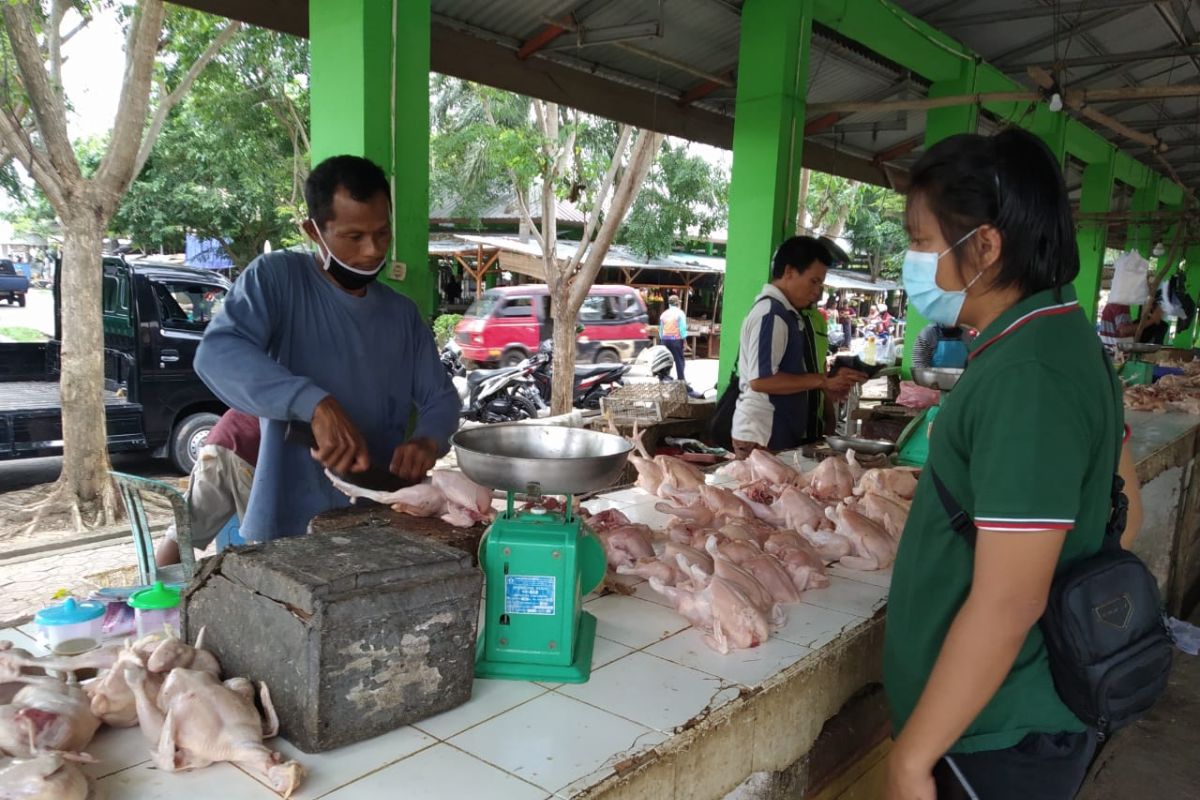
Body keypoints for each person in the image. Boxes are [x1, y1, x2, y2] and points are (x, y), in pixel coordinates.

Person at [885, 128, 1140, 800]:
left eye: (920, 240)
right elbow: (1128, 513)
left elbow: (1009, 600)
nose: (911, 260)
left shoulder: (1029, 373)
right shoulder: (1058, 336)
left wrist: (913, 759)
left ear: (987, 246)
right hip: (1014, 722)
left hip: (994, 738)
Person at [194, 155, 460, 542]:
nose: (372, 250)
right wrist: (314, 404)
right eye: (354, 237)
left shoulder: (402, 315)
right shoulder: (277, 280)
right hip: (288, 523)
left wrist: (428, 439)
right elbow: (217, 354)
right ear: (313, 231)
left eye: (382, 234)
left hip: (378, 515)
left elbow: (441, 399)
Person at [730, 236, 868, 459]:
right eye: (813, 281)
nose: (817, 291)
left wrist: (827, 384)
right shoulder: (771, 314)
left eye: (820, 284)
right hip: (762, 435)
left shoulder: (788, 313)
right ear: (789, 272)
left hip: (777, 433)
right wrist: (822, 380)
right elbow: (760, 380)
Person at [154, 409, 260, 567]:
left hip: (219, 440)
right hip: (249, 448)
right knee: (268, 540)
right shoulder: (306, 394)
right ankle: (164, 589)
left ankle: (161, 588)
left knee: (183, 531)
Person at [910, 323, 976, 370]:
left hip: (961, 379)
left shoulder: (967, 333)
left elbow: (973, 360)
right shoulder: (929, 332)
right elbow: (918, 363)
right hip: (933, 381)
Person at [658, 294, 689, 383]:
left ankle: (664, 378)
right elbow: (682, 328)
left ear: (669, 304)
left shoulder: (664, 314)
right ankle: (681, 379)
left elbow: (661, 329)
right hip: (676, 340)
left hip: (664, 340)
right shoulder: (680, 313)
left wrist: (662, 340)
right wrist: (685, 341)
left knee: (665, 359)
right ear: (677, 303)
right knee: (679, 359)